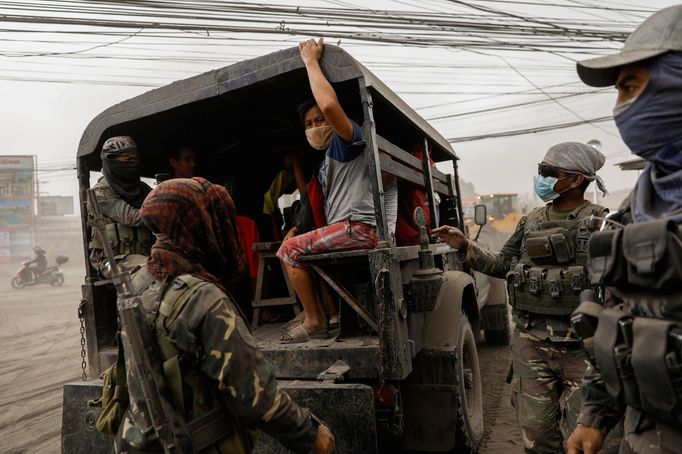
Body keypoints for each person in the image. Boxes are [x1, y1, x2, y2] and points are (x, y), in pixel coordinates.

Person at [113, 177, 334, 454]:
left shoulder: (139, 283)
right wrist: (310, 433)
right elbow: (255, 398)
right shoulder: (202, 298)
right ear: (200, 225)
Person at [433, 142, 609, 454]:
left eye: (548, 172)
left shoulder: (601, 223)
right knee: (537, 439)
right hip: (531, 343)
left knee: (582, 442)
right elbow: (502, 265)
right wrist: (464, 246)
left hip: (582, 350)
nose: (540, 178)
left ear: (575, 179)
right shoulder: (530, 222)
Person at [567, 6, 682, 454]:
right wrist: (596, 416)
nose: (621, 109)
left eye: (631, 87)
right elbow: (620, 319)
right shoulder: (638, 201)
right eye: (619, 93)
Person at [276, 37, 396, 343]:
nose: (316, 125)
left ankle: (315, 321)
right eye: (308, 123)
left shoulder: (347, 140)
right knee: (297, 245)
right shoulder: (327, 160)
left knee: (289, 251)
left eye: (319, 120)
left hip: (359, 228)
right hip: (350, 228)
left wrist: (311, 62)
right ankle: (316, 314)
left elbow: (330, 105)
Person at [87, 136, 153, 277]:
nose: (133, 164)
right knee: (150, 273)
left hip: (144, 257)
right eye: (127, 160)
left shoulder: (143, 190)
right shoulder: (101, 193)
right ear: (112, 161)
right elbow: (133, 218)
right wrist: (166, 212)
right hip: (112, 262)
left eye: (134, 159)